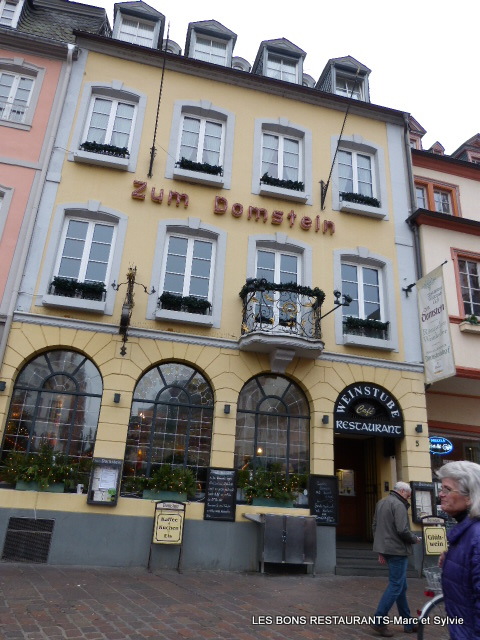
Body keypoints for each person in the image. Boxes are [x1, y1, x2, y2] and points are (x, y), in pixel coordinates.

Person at [370, 481, 421, 637]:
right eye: (408, 495)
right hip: (397, 550)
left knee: (401, 586)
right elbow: (402, 530)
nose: (409, 498)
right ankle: (379, 620)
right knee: (396, 585)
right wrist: (414, 539)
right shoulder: (399, 505)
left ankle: (408, 623)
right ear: (403, 491)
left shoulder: (381, 502)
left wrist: (381, 550)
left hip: (387, 548)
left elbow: (375, 526)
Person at [436, 460, 480, 640]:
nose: (441, 494)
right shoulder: (466, 532)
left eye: (447, 489)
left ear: (469, 496)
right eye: (442, 488)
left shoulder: (476, 536)